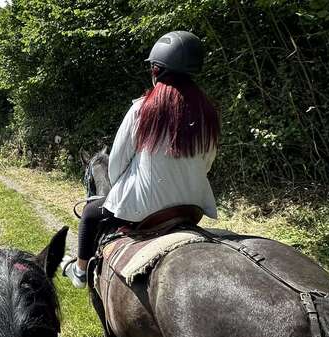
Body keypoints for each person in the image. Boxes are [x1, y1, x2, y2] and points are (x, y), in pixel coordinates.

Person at [63, 31, 220, 288]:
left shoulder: (142, 108)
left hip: (145, 210)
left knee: (91, 212)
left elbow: (115, 167)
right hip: (193, 207)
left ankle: (80, 272)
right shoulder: (208, 114)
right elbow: (207, 162)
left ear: (156, 70)